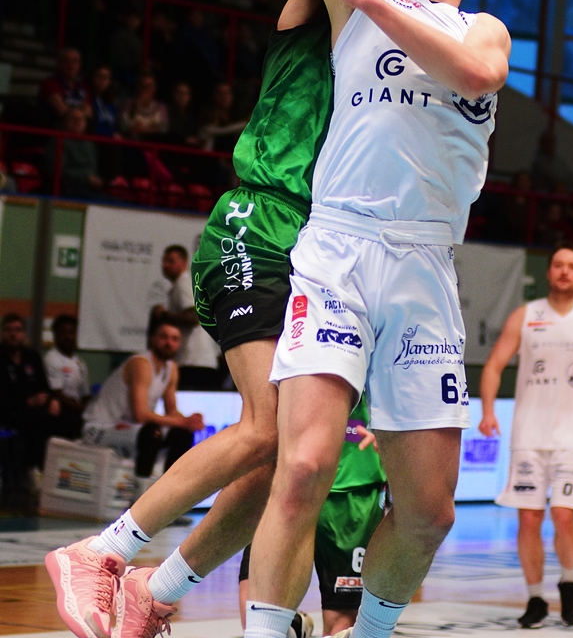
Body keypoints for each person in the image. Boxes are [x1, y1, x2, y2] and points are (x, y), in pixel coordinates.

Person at [45, 0, 427, 638]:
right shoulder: (321, 2)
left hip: (325, 254)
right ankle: (104, 552)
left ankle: (158, 593)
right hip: (261, 221)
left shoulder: (405, 55)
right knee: (264, 430)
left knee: (296, 456)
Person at [202, 0, 509, 638]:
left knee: (429, 513)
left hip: (423, 264)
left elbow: (472, 72)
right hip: (335, 249)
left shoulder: (480, 27)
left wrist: (373, 1)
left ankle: (368, 632)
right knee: (299, 465)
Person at [478, 243, 573, 628]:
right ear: (548, 271)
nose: (564, 271)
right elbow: (493, 366)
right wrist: (487, 411)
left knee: (563, 514)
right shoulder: (526, 315)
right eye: (558, 264)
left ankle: (570, 585)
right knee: (529, 519)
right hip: (529, 434)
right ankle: (535, 597)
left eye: (572, 266)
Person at [239, 396, 387, 638]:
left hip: (353, 487)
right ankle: (294, 627)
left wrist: (392, 437)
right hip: (286, 479)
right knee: (255, 620)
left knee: (341, 623)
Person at [78, 317, 204, 495]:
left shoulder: (172, 368)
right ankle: (140, 499)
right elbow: (140, 415)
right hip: (99, 427)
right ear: (153, 339)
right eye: (164, 337)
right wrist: (183, 421)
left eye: (174, 339)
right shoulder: (141, 363)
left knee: (182, 435)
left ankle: (167, 495)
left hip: (128, 428)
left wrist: (190, 421)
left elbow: (172, 412)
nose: (169, 343)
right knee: (151, 433)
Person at [156, 245, 220, 390]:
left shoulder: (183, 283)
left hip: (192, 361)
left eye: (171, 261)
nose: (165, 265)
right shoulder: (190, 283)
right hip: (201, 361)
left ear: (183, 263)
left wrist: (164, 315)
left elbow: (194, 317)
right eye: (164, 261)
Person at [0, 312, 52, 492]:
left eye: (17, 330)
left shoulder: (32, 357)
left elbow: (44, 386)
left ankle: (36, 469)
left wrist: (50, 400)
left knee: (47, 419)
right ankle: (21, 473)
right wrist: (26, 402)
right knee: (29, 421)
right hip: (7, 412)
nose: (13, 334)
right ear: (3, 333)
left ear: (23, 334)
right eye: (8, 330)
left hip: (32, 412)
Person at [44, 314, 91, 441]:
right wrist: (83, 409)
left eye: (71, 332)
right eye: (63, 332)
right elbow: (57, 394)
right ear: (55, 335)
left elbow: (86, 394)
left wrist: (88, 409)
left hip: (78, 413)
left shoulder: (80, 362)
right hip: (60, 414)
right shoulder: (51, 358)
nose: (67, 336)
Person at [39, 47, 91, 126]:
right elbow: (64, 112)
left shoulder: (83, 86)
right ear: (58, 63)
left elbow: (89, 113)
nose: (71, 66)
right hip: (56, 128)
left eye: (74, 61)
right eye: (66, 61)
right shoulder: (50, 84)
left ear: (80, 65)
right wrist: (79, 112)